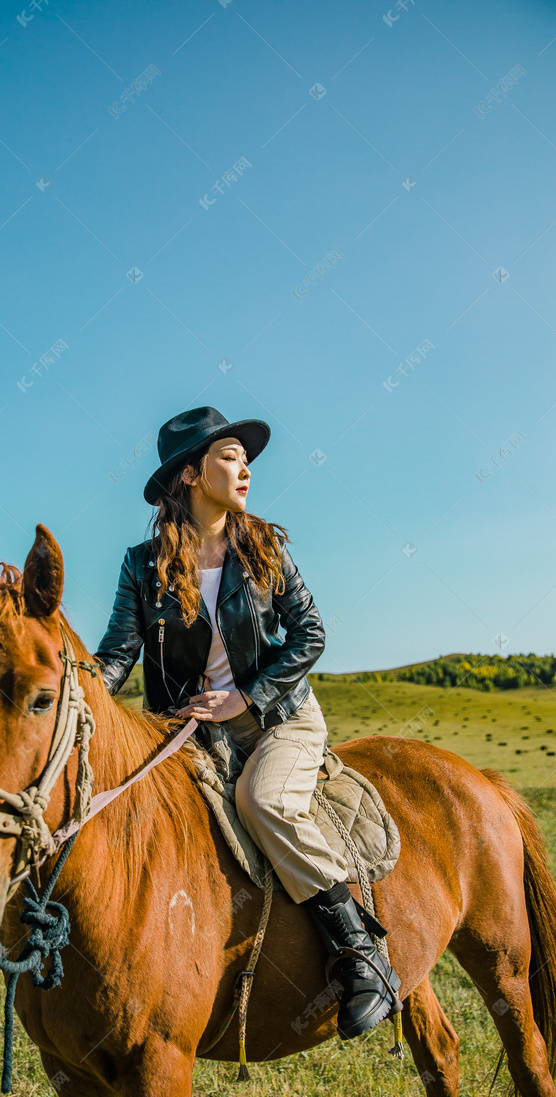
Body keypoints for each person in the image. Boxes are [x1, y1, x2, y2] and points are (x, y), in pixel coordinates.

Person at [94, 406, 398, 1039]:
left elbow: (310, 634)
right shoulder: (141, 564)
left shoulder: (262, 546)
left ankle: (363, 952)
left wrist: (250, 698)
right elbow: (118, 656)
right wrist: (63, 682)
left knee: (263, 801)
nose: (245, 469)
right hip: (187, 730)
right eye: (228, 456)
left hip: (280, 719)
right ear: (189, 475)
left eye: (245, 457)